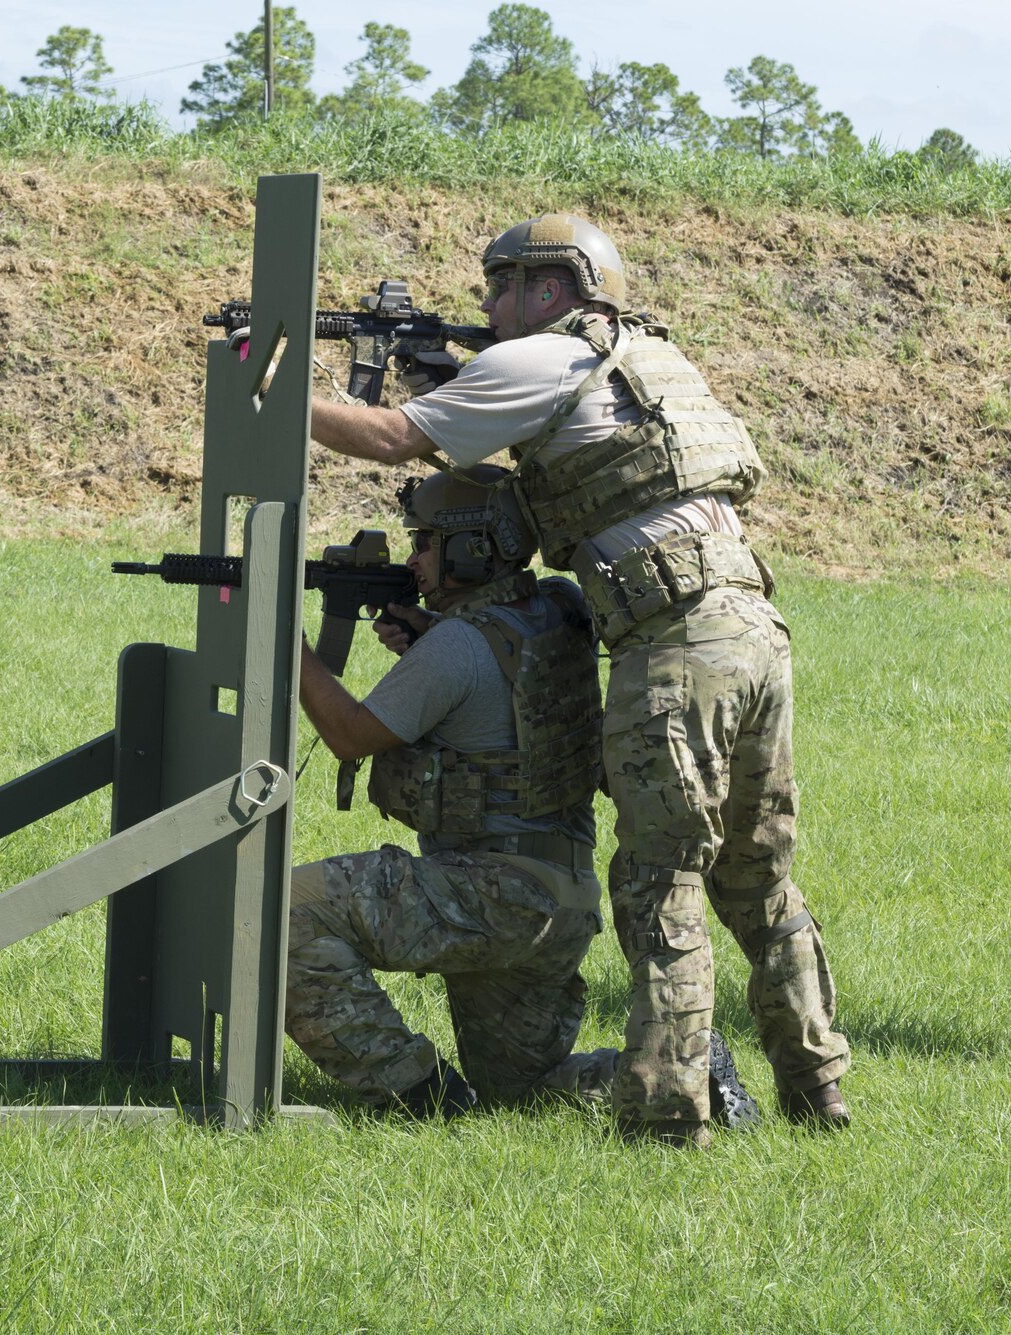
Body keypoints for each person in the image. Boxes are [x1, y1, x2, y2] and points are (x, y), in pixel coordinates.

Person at [306, 212, 850, 1145]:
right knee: (758, 879)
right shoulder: (653, 359)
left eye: (499, 284)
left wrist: (265, 396)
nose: (485, 303)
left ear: (551, 288)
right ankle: (817, 1085)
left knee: (658, 881)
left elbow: (396, 438)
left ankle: (668, 1118)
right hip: (754, 623)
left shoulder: (544, 358)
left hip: (674, 639)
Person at [288, 468, 622, 1118]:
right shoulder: (550, 612)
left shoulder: (457, 645)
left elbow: (350, 734)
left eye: (426, 542)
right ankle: (669, 1071)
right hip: (564, 901)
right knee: (518, 1093)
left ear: (473, 549)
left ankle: (415, 1092)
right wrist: (431, 632)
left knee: (278, 912)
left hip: (492, 895)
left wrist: (287, 643)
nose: (412, 560)